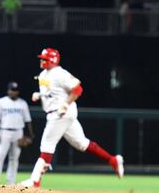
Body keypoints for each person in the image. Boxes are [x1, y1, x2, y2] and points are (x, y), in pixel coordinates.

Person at [21, 48, 124, 188]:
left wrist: (66, 103)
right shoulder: (43, 74)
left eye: (44, 59)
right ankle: (112, 160)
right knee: (81, 143)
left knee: (47, 145)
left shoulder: (60, 73)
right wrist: (39, 95)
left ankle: (35, 181)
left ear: (52, 60)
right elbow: (51, 93)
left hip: (60, 113)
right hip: (56, 112)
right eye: (41, 58)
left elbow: (78, 89)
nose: (41, 61)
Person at [0, 82, 34, 185]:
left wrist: (30, 134)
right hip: (4, 131)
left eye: (15, 90)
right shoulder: (1, 102)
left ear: (18, 91)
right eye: (12, 90)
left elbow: (28, 121)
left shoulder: (22, 103)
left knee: (14, 158)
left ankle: (11, 182)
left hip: (18, 132)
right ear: (8, 90)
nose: (13, 92)